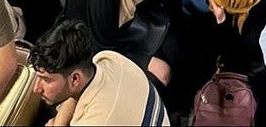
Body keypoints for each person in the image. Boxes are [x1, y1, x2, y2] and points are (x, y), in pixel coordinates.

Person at [29, 19, 170, 126]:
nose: (37, 88)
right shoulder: (109, 59)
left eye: (46, 80)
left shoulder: (95, 122)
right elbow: (74, 94)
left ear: (75, 79)